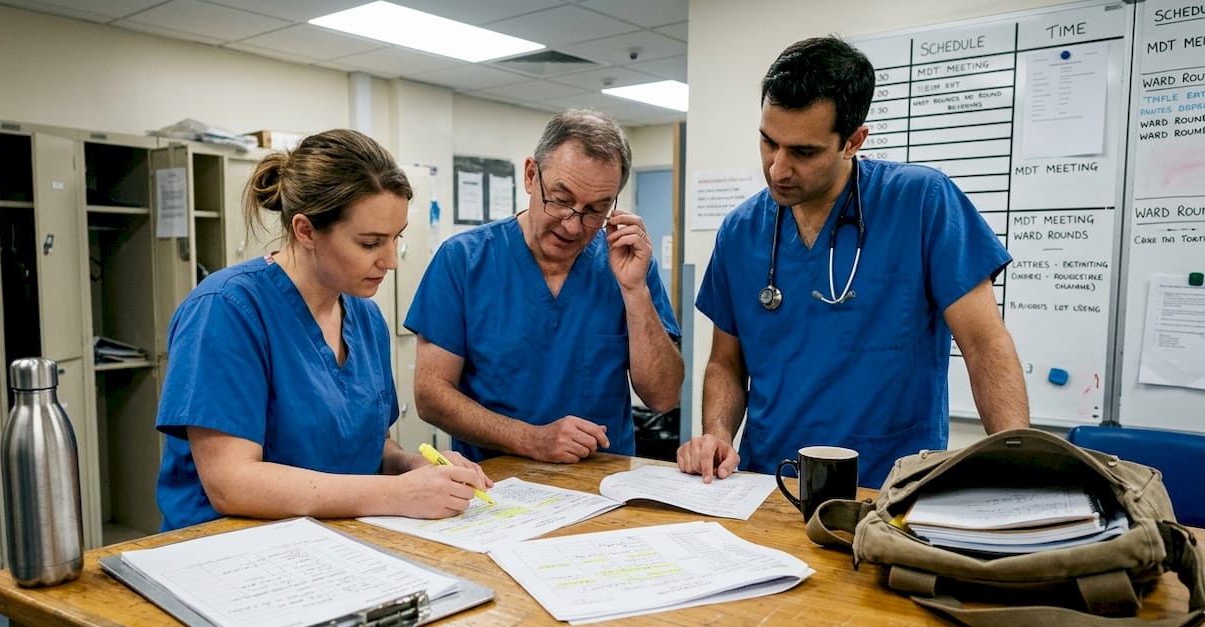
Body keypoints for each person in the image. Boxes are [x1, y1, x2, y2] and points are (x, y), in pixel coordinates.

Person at [678, 36, 1029, 487]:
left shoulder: (921, 203)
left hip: (889, 486)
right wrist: (717, 434)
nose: (777, 168)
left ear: (853, 141)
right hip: (769, 482)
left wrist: (1021, 464)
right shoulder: (740, 230)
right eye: (768, 142)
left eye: (803, 152)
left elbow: (984, 345)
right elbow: (726, 363)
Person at [155, 129, 492, 530]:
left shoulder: (365, 318)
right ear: (306, 231)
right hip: (226, 544)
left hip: (337, 538)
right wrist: (398, 494)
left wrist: (415, 468)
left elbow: (375, 449)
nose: (390, 260)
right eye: (370, 243)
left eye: (396, 239)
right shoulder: (226, 309)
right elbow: (232, 483)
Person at [405, 109, 684, 464]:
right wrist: (531, 439)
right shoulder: (463, 261)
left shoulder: (627, 267)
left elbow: (663, 397)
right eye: (561, 200)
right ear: (530, 175)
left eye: (595, 210)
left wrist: (635, 292)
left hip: (602, 482)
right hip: (493, 482)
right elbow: (431, 396)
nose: (572, 225)